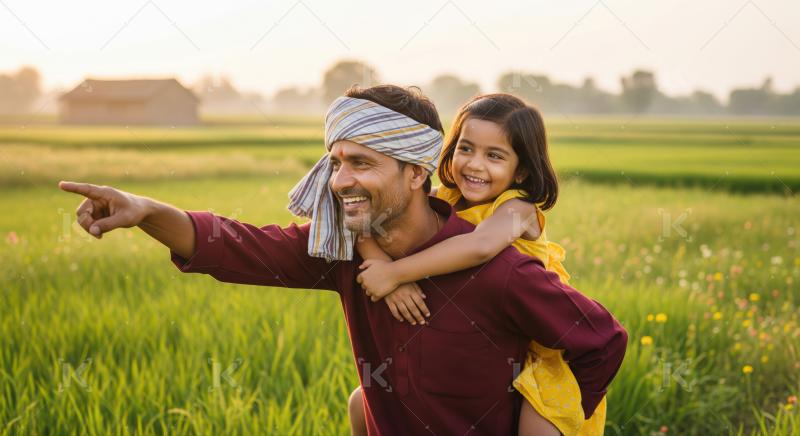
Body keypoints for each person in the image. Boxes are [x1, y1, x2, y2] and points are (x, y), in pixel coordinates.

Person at [59, 84, 627, 435]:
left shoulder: (501, 268)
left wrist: (550, 418)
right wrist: (144, 209)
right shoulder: (342, 253)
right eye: (336, 162)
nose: (340, 181)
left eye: (362, 163)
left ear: (415, 171)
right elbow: (232, 245)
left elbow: (601, 341)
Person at [351, 93, 604, 435]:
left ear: (522, 171)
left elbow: (480, 245)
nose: (474, 164)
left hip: (543, 350)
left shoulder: (519, 209)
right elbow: (364, 220)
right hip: (483, 347)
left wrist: (394, 273)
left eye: (495, 156)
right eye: (466, 148)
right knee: (361, 401)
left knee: (536, 430)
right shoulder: (445, 197)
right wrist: (376, 258)